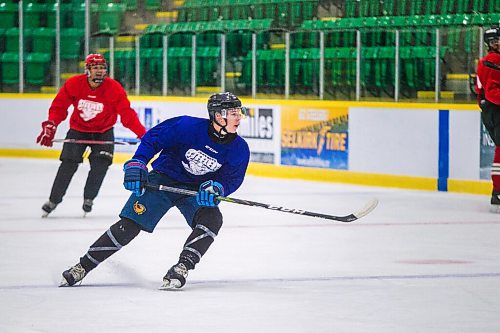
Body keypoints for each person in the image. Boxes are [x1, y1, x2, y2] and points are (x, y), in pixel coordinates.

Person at [59, 92, 250, 289]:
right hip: (163, 179)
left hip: (195, 191)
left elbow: (233, 177)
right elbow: (153, 139)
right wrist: (139, 161)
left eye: (239, 113)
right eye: (234, 113)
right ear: (219, 116)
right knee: (129, 225)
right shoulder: (187, 127)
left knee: (212, 219)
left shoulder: (239, 148)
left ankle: (182, 267)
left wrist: (219, 187)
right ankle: (83, 266)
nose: (239, 118)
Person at [36, 53, 146, 217]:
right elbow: (59, 107)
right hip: (78, 130)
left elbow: (127, 115)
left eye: (102, 68)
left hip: (104, 132)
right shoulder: (74, 84)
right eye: (95, 68)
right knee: (68, 165)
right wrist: (51, 124)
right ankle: (53, 200)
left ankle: (89, 198)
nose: (99, 71)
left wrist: (143, 135)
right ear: (87, 70)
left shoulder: (114, 88)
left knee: (100, 166)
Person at [476, 27, 500, 213]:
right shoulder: (491, 61)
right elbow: (492, 93)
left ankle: (497, 190)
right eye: (494, 41)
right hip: (495, 110)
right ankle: (498, 191)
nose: (498, 43)